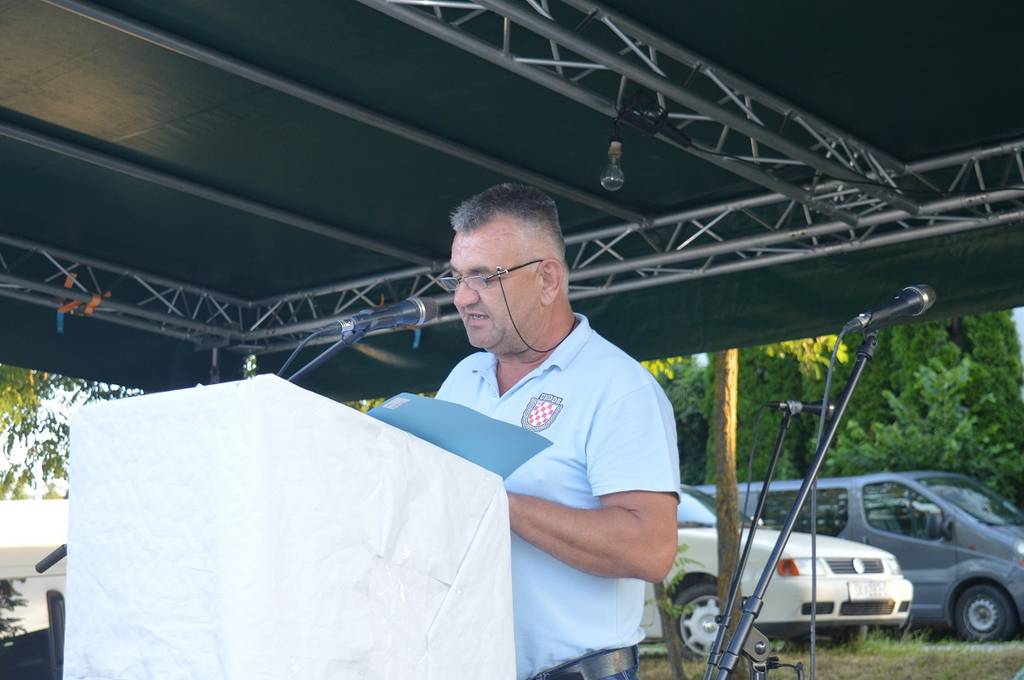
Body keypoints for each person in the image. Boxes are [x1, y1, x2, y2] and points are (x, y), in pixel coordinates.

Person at [434, 184, 681, 680]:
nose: (462, 298)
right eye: (457, 278)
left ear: (547, 279)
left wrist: (496, 503)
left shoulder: (618, 387)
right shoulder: (463, 378)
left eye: (483, 277)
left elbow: (651, 549)